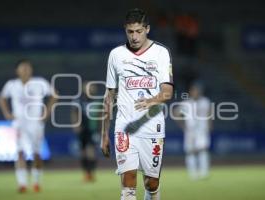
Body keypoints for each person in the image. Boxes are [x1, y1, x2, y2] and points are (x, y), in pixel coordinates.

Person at [101, 8, 173, 200]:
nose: (134, 36)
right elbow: (109, 96)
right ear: (125, 30)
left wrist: (150, 101)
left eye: (139, 31)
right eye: (130, 32)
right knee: (128, 180)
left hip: (152, 127)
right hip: (124, 127)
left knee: (151, 183)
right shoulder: (116, 55)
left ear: (147, 29)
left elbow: (168, 92)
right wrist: (104, 134)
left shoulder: (161, 53)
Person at [0, 59, 56, 193]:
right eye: (22, 68)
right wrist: (7, 113)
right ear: (17, 71)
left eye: (27, 68)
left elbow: (54, 95)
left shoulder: (40, 83)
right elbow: (1, 97)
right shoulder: (12, 85)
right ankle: (22, 184)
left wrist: (46, 113)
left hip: (36, 123)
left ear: (31, 70)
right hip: (19, 123)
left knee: (36, 154)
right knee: (20, 152)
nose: (25, 70)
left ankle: (36, 181)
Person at [173, 82, 212, 180]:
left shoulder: (205, 101)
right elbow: (176, 112)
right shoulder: (186, 103)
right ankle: (193, 174)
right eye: (193, 90)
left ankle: (204, 173)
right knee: (190, 152)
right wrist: (182, 125)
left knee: (203, 150)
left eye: (197, 90)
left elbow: (209, 114)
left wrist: (209, 125)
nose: (195, 92)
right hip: (190, 130)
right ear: (190, 92)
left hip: (202, 130)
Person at [71, 81, 100, 182]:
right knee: (83, 152)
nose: (91, 89)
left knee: (91, 151)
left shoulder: (97, 100)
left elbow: (102, 115)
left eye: (92, 87)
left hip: (93, 129)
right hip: (82, 129)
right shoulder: (78, 100)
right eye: (88, 87)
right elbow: (74, 112)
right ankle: (86, 173)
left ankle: (91, 173)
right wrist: (76, 125)